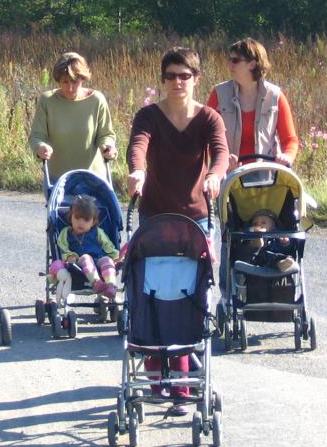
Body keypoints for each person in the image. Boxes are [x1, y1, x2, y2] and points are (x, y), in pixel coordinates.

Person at [126, 47, 229, 414]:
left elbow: (219, 152)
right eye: (170, 76)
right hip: (155, 217)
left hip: (196, 219)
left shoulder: (209, 118)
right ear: (162, 79)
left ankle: (184, 378)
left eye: (184, 76)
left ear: (196, 79)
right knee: (153, 291)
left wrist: (216, 175)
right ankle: (156, 374)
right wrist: (137, 171)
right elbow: (138, 146)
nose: (177, 82)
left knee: (189, 294)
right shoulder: (149, 115)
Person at [206, 38, 299, 169]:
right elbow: (206, 138)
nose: (229, 65)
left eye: (235, 61)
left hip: (266, 175)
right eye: (230, 60)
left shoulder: (275, 96)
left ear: (252, 64)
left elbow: (290, 139)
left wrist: (287, 156)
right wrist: (221, 159)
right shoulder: (218, 94)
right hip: (228, 175)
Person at [29, 52, 117, 183]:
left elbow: (106, 134)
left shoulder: (97, 100)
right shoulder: (47, 101)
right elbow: (36, 136)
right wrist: (40, 147)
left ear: (83, 79)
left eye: (75, 82)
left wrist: (107, 146)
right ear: (58, 80)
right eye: (65, 82)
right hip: (58, 181)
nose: (70, 88)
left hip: (94, 180)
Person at [49, 195, 119, 303]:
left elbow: (107, 245)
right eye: (77, 218)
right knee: (86, 257)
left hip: (98, 259)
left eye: (86, 220)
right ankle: (96, 283)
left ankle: (111, 285)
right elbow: (63, 247)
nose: (80, 223)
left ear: (93, 221)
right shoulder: (66, 233)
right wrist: (69, 256)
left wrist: (115, 256)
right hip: (78, 263)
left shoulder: (98, 232)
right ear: (71, 216)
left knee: (107, 260)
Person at [247, 210, 298, 275]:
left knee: (282, 256)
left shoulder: (278, 234)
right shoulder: (251, 232)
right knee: (253, 246)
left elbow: (287, 249)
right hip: (258, 258)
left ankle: (284, 264)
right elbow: (246, 233)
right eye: (255, 224)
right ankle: (258, 239)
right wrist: (252, 230)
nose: (259, 225)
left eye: (263, 223)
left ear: (273, 227)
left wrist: (285, 243)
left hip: (276, 257)